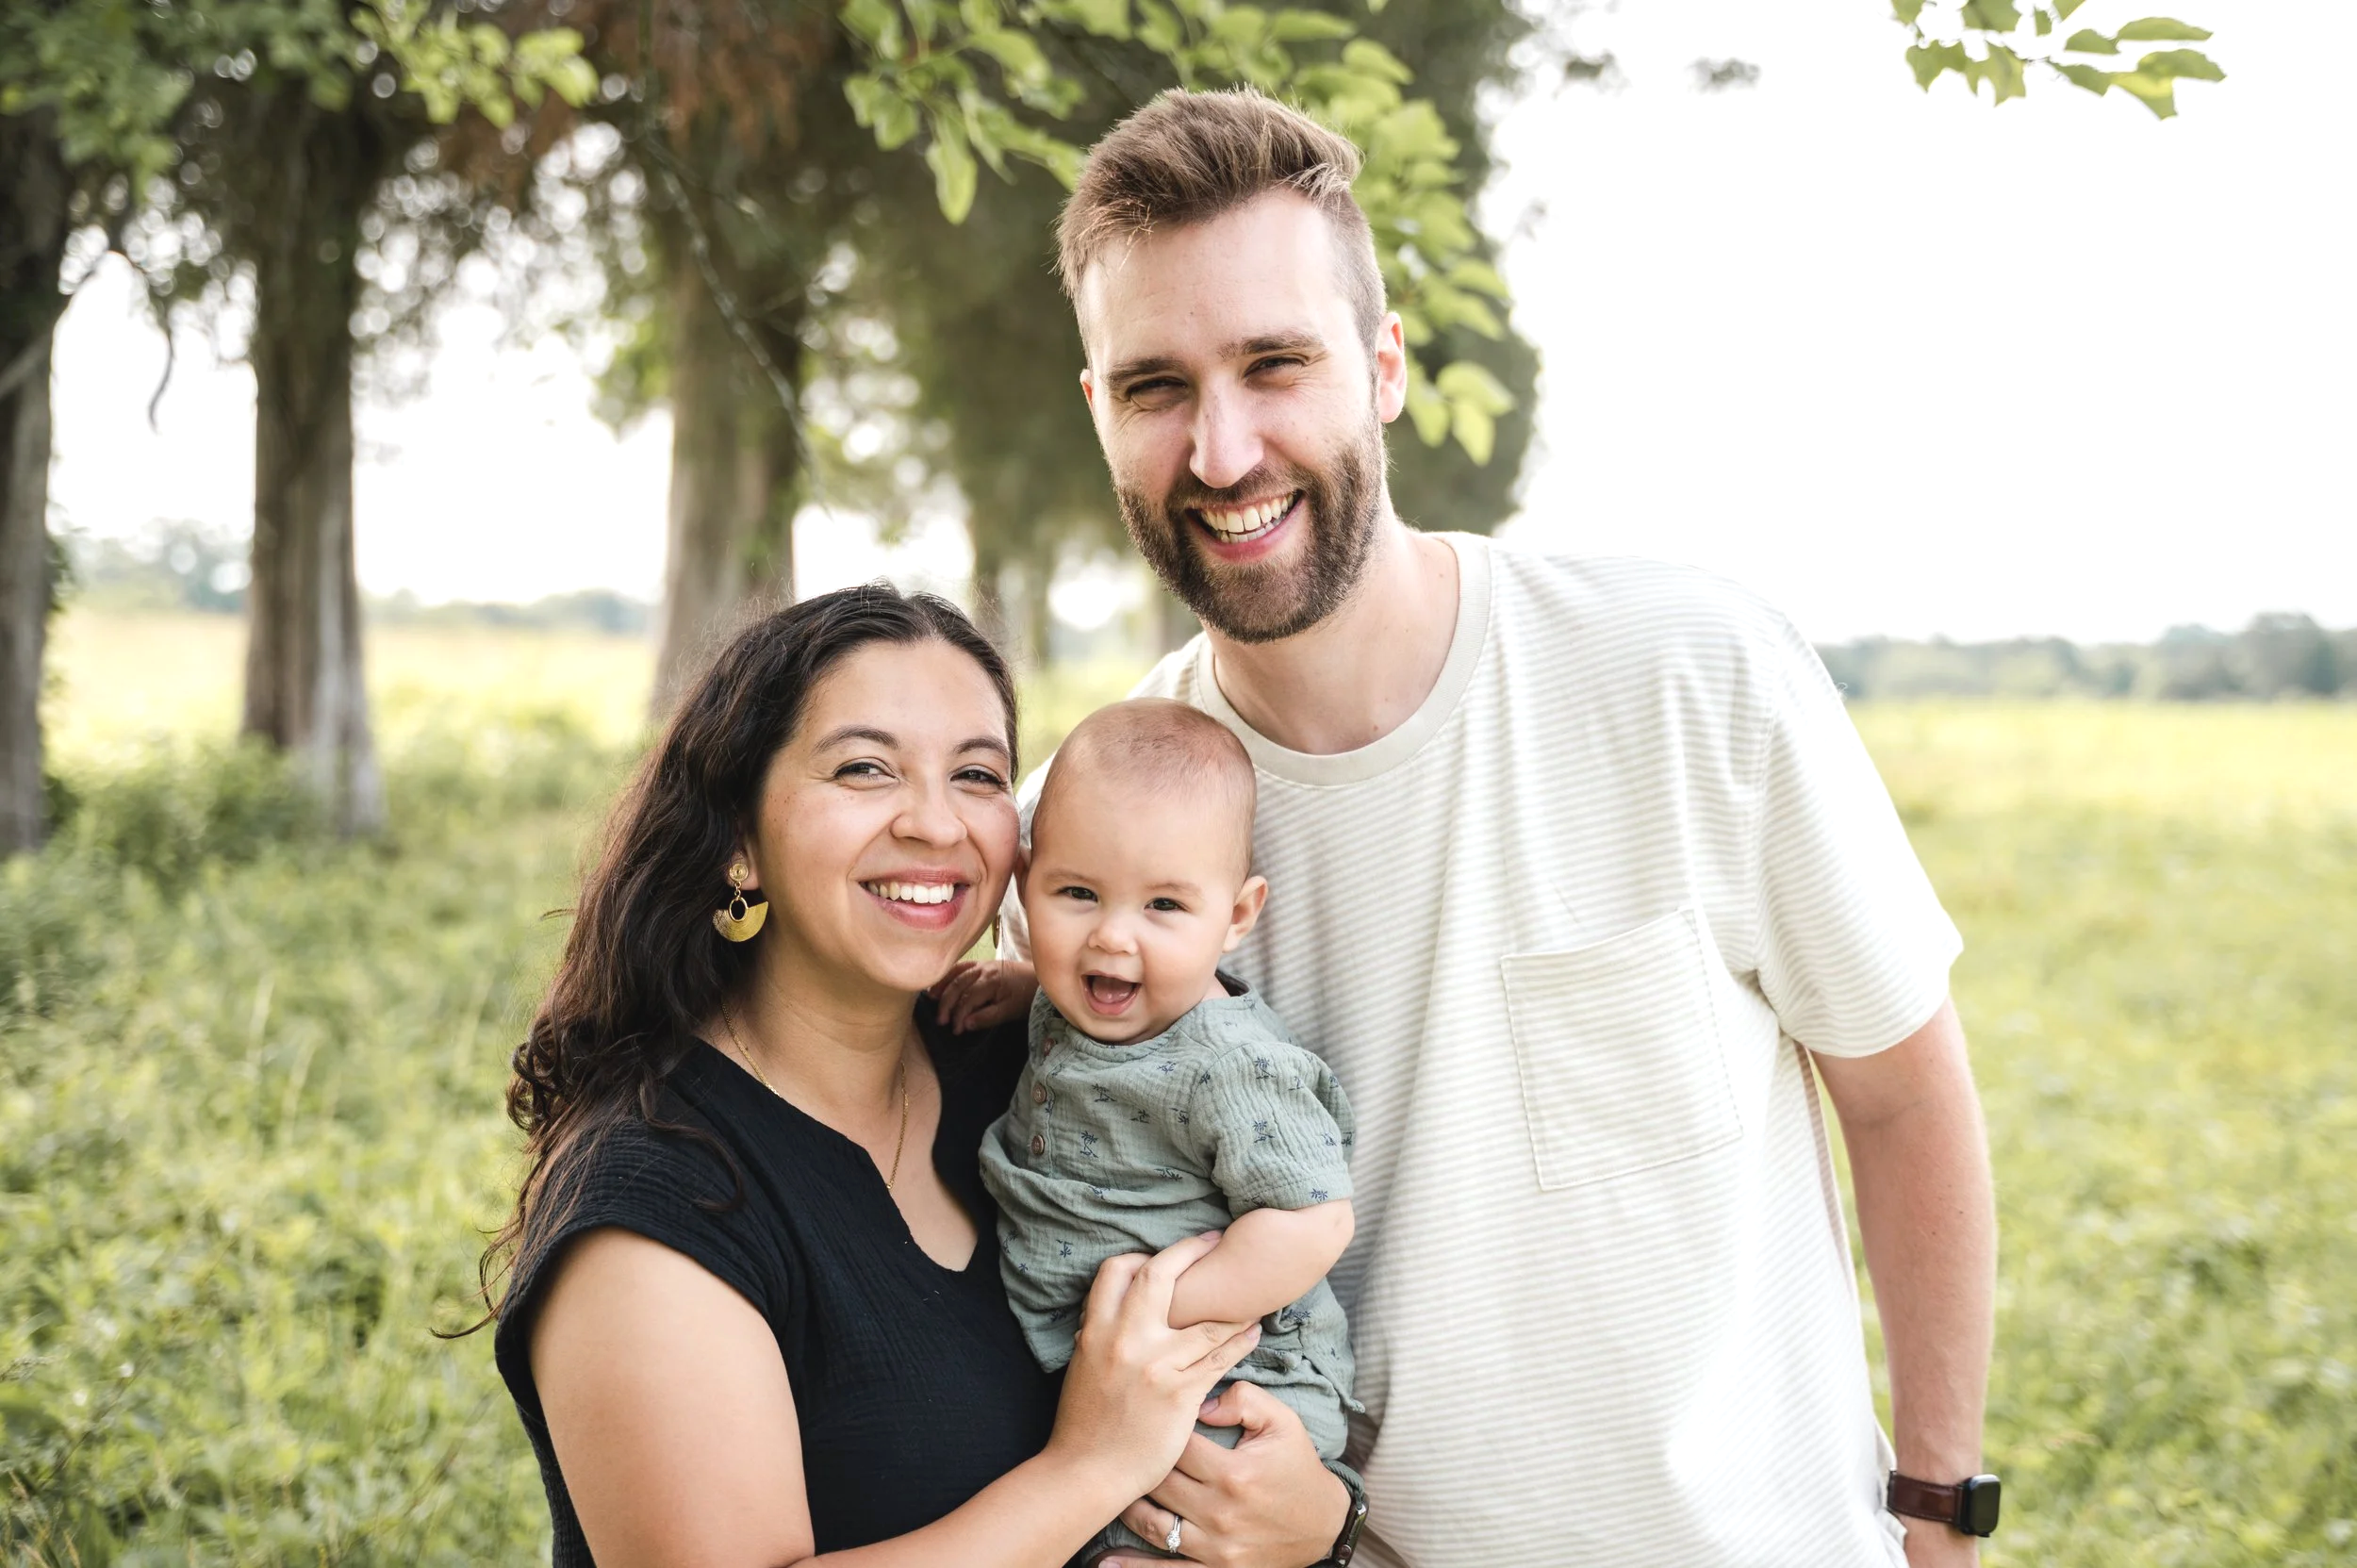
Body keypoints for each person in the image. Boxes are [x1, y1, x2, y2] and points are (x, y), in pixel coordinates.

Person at [998, 90, 2001, 1568]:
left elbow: (1906, 1099)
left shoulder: (1687, 672)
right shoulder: (1081, 841)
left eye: (1277, 364)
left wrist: (1940, 1515)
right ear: (1099, 410)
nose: (1221, 450)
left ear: (1384, 366)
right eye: (1157, 387)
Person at [481, 585, 1349, 1568]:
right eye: (864, 767)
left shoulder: (1031, 1062)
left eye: (977, 774)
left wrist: (1319, 1520)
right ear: (737, 840)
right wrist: (1090, 1466)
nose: (937, 824)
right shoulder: (653, 1206)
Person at [941, 699, 1361, 1563]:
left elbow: (1315, 1221)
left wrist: (1166, 1310)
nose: (1112, 937)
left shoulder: (1232, 1067)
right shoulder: (1080, 1001)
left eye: (1164, 904)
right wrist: (1026, 987)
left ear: (1236, 916)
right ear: (1027, 883)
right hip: (1115, 1381)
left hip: (1229, 1382)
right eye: (1078, 893)